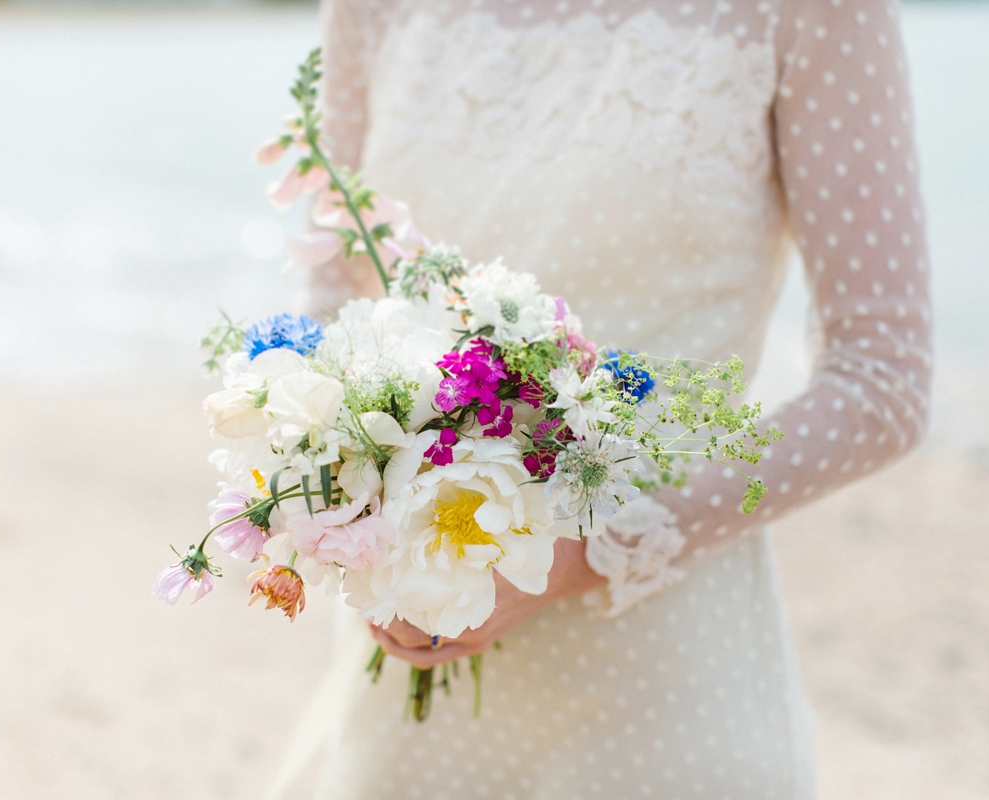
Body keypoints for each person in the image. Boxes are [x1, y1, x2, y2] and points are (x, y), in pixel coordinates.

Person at [288, 0, 932, 796]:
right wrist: (367, 517)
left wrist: (586, 555)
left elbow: (882, 383)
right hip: (406, 692)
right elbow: (330, 312)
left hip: (662, 696)